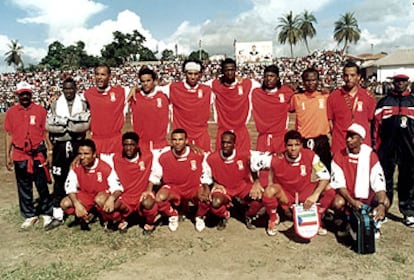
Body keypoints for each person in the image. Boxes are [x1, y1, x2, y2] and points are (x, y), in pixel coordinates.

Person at [251, 130, 335, 236]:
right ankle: (273, 218)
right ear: (285, 145)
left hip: (305, 192)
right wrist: (256, 182)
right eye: (290, 145)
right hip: (287, 195)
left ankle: (318, 217)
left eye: (297, 145)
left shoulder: (310, 155)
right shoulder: (276, 157)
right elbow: (252, 163)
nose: (293, 148)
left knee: (329, 189)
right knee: (269, 190)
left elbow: (325, 176)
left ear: (301, 145)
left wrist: (315, 195)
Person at [4, 81, 54, 229]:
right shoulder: (11, 112)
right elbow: (9, 133)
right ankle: (30, 214)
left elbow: (46, 132)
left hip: (38, 153)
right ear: (17, 95)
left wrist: (50, 151)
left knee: (41, 184)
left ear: (31, 94)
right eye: (22, 94)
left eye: (27, 94)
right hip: (20, 154)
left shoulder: (40, 110)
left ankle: (46, 212)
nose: (24, 96)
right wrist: (7, 155)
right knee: (23, 185)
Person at [45, 77, 90, 230]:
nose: (69, 91)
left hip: (77, 144)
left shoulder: (83, 103)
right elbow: (49, 126)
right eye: (66, 89)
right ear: (62, 90)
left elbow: (84, 125)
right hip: (60, 145)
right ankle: (58, 215)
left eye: (71, 88)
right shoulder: (55, 104)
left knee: (80, 177)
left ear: (76, 89)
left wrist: (64, 124)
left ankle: (82, 211)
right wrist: (71, 124)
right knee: (58, 179)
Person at [330, 123, 389, 237]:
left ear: (361, 139)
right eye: (347, 136)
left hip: (366, 196)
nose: (348, 139)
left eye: (352, 137)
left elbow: (379, 182)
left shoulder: (371, 156)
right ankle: (343, 222)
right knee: (338, 203)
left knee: (385, 201)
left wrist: (381, 204)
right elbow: (339, 184)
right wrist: (352, 201)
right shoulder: (338, 156)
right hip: (348, 196)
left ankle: (374, 223)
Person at [94, 132, 159, 234]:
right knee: (102, 201)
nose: (129, 148)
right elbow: (96, 156)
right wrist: (76, 159)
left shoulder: (148, 156)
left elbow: (157, 171)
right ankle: (121, 220)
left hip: (141, 196)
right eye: (126, 145)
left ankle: (149, 223)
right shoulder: (115, 158)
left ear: (137, 145)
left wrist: (149, 190)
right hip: (124, 198)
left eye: (132, 145)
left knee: (149, 202)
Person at [200, 131, 263, 231]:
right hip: (223, 188)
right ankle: (224, 215)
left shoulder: (244, 154)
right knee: (215, 203)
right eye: (223, 142)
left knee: (260, 197)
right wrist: (209, 187)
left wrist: (257, 182)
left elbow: (260, 162)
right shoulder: (212, 158)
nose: (225, 145)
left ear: (234, 144)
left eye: (229, 143)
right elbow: (206, 176)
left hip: (242, 186)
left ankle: (248, 215)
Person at [373, 74, 414, 227]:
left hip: (408, 148)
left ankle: (408, 212)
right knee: (385, 179)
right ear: (393, 83)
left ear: (407, 82)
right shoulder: (384, 102)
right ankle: (383, 209)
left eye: (403, 81)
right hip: (387, 147)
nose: (400, 84)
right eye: (397, 81)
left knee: (408, 180)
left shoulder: (413, 101)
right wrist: (375, 146)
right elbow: (376, 127)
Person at [150, 128, 209, 232]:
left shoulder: (197, 154)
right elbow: (155, 175)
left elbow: (206, 173)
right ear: (171, 141)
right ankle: (173, 215)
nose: (177, 142)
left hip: (193, 188)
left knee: (206, 197)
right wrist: (149, 191)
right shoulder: (163, 156)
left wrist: (207, 188)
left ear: (186, 141)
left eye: (180, 139)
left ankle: (199, 217)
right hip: (174, 188)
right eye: (174, 140)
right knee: (159, 198)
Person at [60, 139, 123, 230]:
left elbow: (117, 188)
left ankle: (112, 219)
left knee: (100, 199)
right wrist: (77, 204)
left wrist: (111, 199)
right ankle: (86, 215)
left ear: (94, 155)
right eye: (80, 154)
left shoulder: (105, 167)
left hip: (102, 196)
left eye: (86, 154)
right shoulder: (76, 167)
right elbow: (70, 187)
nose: (82, 157)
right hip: (87, 196)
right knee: (65, 203)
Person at [251, 65, 294, 186]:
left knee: (282, 170)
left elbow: (298, 103)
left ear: (278, 78)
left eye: (272, 76)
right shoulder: (256, 93)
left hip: (280, 137)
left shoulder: (286, 92)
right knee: (263, 171)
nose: (269, 79)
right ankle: (265, 200)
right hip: (263, 138)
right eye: (266, 76)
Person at [205, 58, 258, 153]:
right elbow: (197, 87)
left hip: (241, 131)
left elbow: (266, 88)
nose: (229, 73)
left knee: (243, 163)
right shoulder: (215, 84)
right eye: (226, 70)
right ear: (222, 71)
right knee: (221, 163)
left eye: (232, 70)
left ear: (235, 70)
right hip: (223, 132)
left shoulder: (248, 84)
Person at [160, 59, 213, 152]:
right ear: (185, 73)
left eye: (196, 74)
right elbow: (153, 88)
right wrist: (135, 89)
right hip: (181, 138)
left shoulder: (207, 89)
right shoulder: (173, 88)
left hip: (201, 136)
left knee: (204, 164)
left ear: (200, 74)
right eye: (190, 73)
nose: (193, 77)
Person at [327, 61, 376, 155]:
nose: (349, 78)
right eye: (346, 75)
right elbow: (330, 122)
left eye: (352, 75)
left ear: (359, 76)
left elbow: (369, 122)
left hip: (362, 144)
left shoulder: (368, 96)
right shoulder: (334, 96)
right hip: (340, 145)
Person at [83, 65, 129, 160]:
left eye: (103, 74)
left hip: (116, 141)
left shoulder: (121, 91)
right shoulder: (87, 94)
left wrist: (135, 89)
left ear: (109, 76)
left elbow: (139, 90)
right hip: (97, 141)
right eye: (97, 74)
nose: (99, 77)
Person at [290, 68, 331, 170]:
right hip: (303, 141)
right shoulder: (297, 98)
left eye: (313, 80)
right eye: (307, 80)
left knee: (325, 171)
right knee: (303, 171)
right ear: (303, 82)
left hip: (321, 141)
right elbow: (284, 107)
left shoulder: (325, 97)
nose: (311, 83)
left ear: (318, 81)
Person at [129, 67, 170, 156]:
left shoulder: (164, 94)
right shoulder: (134, 97)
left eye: (148, 80)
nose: (145, 84)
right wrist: (134, 89)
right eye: (143, 81)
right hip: (141, 146)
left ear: (154, 81)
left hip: (161, 146)